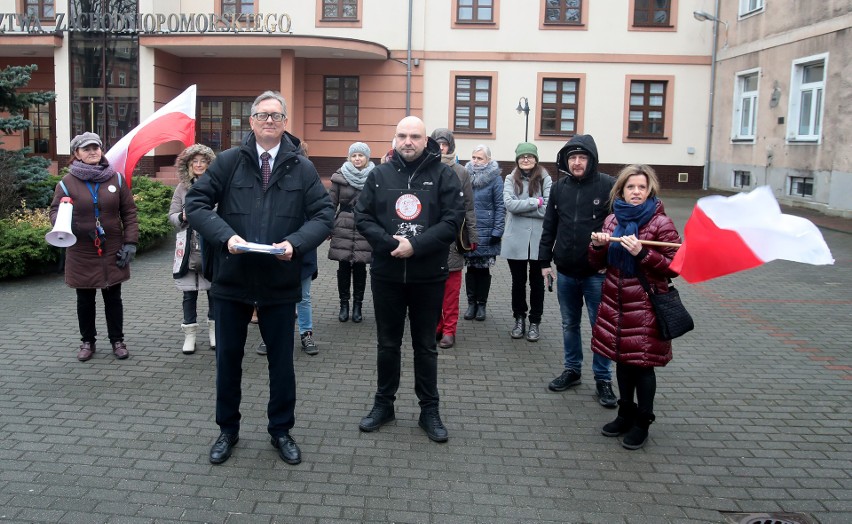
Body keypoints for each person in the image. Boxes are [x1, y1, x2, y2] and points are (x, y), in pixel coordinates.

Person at [186, 90, 333, 465]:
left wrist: (295, 244)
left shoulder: (301, 168)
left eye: (277, 115)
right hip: (233, 281)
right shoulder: (229, 162)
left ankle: (281, 430)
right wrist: (225, 236)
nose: (269, 121)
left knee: (281, 363)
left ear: (285, 122)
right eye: (262, 115)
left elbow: (322, 216)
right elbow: (197, 204)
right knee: (228, 361)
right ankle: (227, 430)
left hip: (280, 282)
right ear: (250, 121)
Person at [355, 116, 463, 443]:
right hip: (387, 274)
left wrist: (415, 246)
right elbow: (363, 217)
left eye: (415, 136)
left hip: (428, 276)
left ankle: (429, 410)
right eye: (402, 135)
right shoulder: (379, 174)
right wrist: (392, 245)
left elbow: (451, 220)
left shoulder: (444, 175)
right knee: (387, 344)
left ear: (425, 139)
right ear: (394, 138)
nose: (408, 141)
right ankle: (383, 404)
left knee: (425, 347)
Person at [589, 164, 681, 449]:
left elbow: (673, 267)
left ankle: (643, 421)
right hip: (616, 302)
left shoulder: (660, 224)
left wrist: (642, 253)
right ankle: (624, 413)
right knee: (622, 360)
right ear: (621, 190)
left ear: (650, 189)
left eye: (642, 187)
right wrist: (597, 246)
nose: (636, 192)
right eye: (631, 187)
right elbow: (597, 264)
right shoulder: (612, 221)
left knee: (643, 366)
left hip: (645, 305)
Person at [539, 134, 617, 408]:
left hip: (597, 274)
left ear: (592, 159)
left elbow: (619, 226)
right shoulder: (560, 188)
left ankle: (603, 379)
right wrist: (544, 262)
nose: (577, 162)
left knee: (600, 326)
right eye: (572, 157)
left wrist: (612, 256)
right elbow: (549, 226)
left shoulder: (607, 185)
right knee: (569, 324)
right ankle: (572, 370)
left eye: (582, 157)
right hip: (567, 273)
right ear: (566, 161)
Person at [50, 132, 138, 362]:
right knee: (85, 299)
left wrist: (130, 242)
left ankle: (117, 340)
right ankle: (87, 342)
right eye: (86, 149)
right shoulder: (67, 183)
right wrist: (66, 223)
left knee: (113, 297)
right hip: (81, 250)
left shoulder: (115, 179)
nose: (92, 152)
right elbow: (55, 211)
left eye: (96, 148)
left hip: (112, 249)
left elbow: (129, 212)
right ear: (76, 154)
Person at [430, 128, 477, 349]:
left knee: (450, 291)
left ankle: (449, 330)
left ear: (450, 146)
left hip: (453, 238)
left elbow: (468, 206)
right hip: (430, 239)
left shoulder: (461, 172)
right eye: (437, 143)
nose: (441, 147)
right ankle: (436, 326)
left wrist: (472, 236)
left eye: (444, 143)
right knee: (432, 289)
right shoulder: (425, 169)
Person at [501, 142, 552, 342]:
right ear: (517, 159)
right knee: (518, 283)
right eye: (522, 157)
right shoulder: (509, 178)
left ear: (536, 159)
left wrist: (527, 207)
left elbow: (549, 209)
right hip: (516, 241)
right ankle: (519, 318)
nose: (526, 159)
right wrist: (535, 202)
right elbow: (510, 205)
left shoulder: (546, 178)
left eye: (530, 156)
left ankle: (534, 322)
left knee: (537, 283)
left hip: (539, 241)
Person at [169, 144, 216, 354]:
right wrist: (183, 217)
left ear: (209, 164)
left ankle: (215, 331)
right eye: (194, 161)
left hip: (211, 244)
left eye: (202, 161)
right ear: (188, 165)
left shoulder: (217, 186)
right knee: (189, 294)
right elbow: (172, 215)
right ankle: (190, 335)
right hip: (187, 246)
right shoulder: (181, 188)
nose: (198, 165)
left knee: (214, 291)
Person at [328, 142, 374, 324]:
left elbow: (377, 205)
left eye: (360, 155)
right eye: (354, 155)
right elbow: (331, 204)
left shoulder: (374, 177)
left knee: (361, 267)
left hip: (364, 227)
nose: (357, 159)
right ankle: (344, 305)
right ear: (349, 157)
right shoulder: (339, 177)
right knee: (344, 267)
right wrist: (328, 226)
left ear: (367, 158)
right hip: (343, 226)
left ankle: (358, 306)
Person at [462, 145, 505, 322]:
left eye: (480, 158)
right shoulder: (465, 175)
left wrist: (498, 230)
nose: (476, 161)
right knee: (471, 269)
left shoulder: (495, 178)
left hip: (488, 231)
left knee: (483, 269)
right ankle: (471, 303)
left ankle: (482, 304)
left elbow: (500, 206)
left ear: (488, 159)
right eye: (474, 157)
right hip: (469, 230)